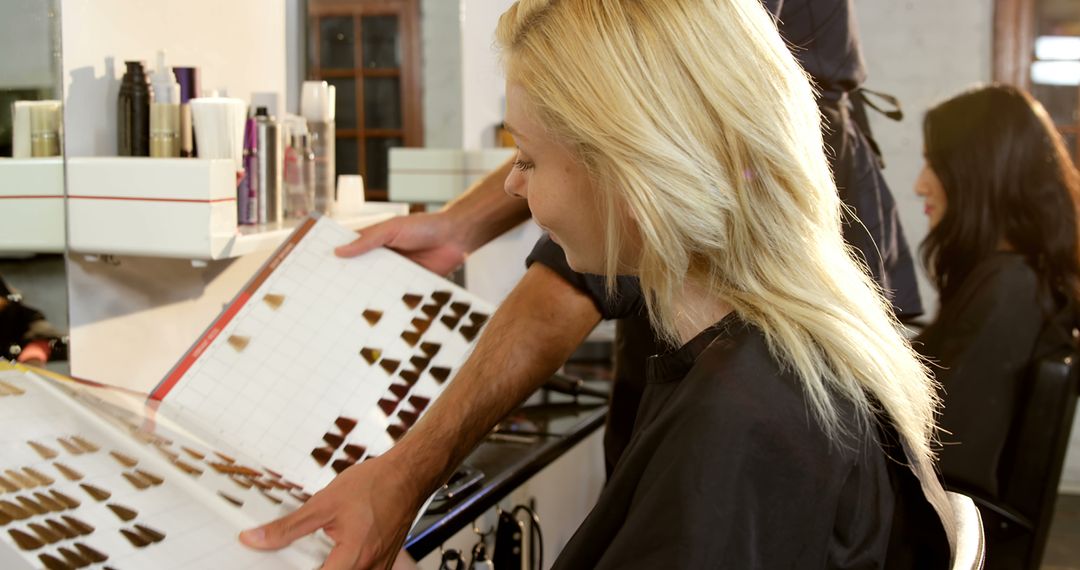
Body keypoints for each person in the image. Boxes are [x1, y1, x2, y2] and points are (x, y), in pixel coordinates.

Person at [241, 1, 957, 568]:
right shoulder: (790, 364)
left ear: (636, 175)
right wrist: (461, 227)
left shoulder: (740, 430)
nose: (516, 187)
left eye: (525, 158)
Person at [913, 85, 1080, 502]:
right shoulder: (1015, 279)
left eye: (934, 165)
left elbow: (950, 463)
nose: (920, 185)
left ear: (977, 173)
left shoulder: (1009, 291)